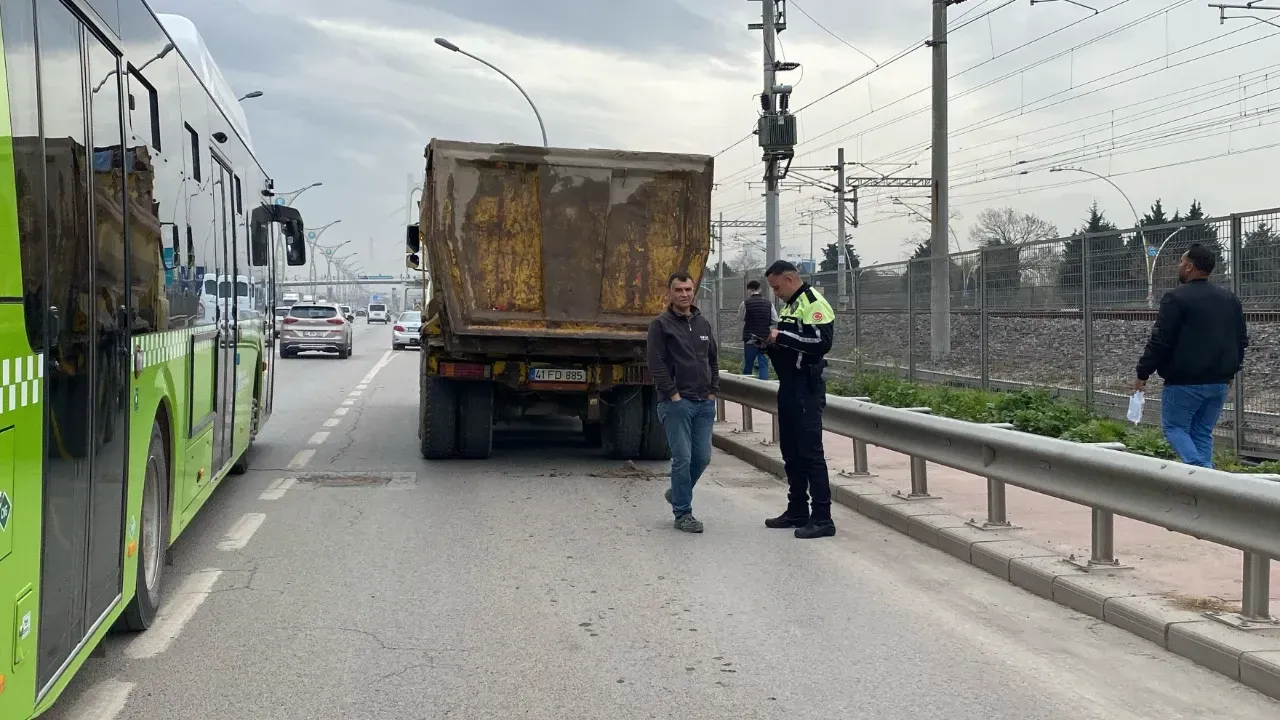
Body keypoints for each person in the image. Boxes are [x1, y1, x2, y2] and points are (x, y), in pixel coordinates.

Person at [1134, 243, 1248, 468]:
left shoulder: (1175, 298)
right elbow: (1241, 339)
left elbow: (1161, 339)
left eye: (1180, 262)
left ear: (1189, 267)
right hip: (1219, 383)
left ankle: (1203, 471)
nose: (1179, 266)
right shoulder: (1229, 299)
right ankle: (1207, 488)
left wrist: (1142, 372)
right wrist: (1231, 372)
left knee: (1174, 428)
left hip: (1184, 383)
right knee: (1202, 432)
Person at [760, 260, 836, 539]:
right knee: (791, 453)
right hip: (789, 386)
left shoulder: (814, 302)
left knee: (810, 454)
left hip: (806, 387)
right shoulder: (790, 305)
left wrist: (782, 336)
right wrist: (769, 345)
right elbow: (791, 343)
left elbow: (821, 343)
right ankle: (797, 510)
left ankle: (822, 518)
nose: (775, 293)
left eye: (777, 287)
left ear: (790, 279)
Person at [646, 272, 719, 533]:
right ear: (670, 293)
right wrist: (673, 395)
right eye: (679, 290)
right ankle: (683, 513)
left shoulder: (703, 324)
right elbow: (656, 363)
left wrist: (713, 391)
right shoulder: (661, 325)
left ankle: (677, 492)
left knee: (702, 457)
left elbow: (712, 359)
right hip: (676, 403)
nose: (684, 294)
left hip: (704, 403)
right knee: (682, 458)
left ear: (693, 291)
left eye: (688, 289)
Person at [736, 280, 779, 379]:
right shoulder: (769, 303)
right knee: (763, 363)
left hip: (750, 338)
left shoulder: (745, 303)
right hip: (764, 338)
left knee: (749, 363)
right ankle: (763, 385)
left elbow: (740, 318)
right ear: (760, 289)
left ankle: (746, 385)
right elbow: (775, 319)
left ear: (748, 290)